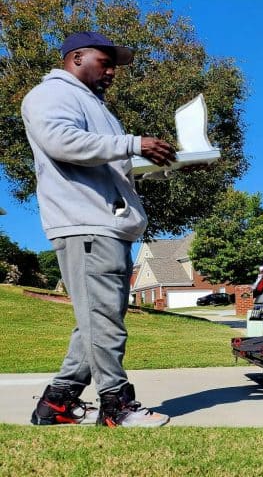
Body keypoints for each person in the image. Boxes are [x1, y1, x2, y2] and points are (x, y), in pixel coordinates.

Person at [21, 31, 178, 427]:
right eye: (104, 63)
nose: (111, 72)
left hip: (104, 225)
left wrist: (165, 166)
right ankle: (116, 406)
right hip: (85, 225)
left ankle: (56, 404)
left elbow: (110, 165)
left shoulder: (94, 105)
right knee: (104, 322)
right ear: (76, 58)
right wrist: (132, 143)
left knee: (96, 319)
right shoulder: (52, 94)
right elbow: (60, 141)